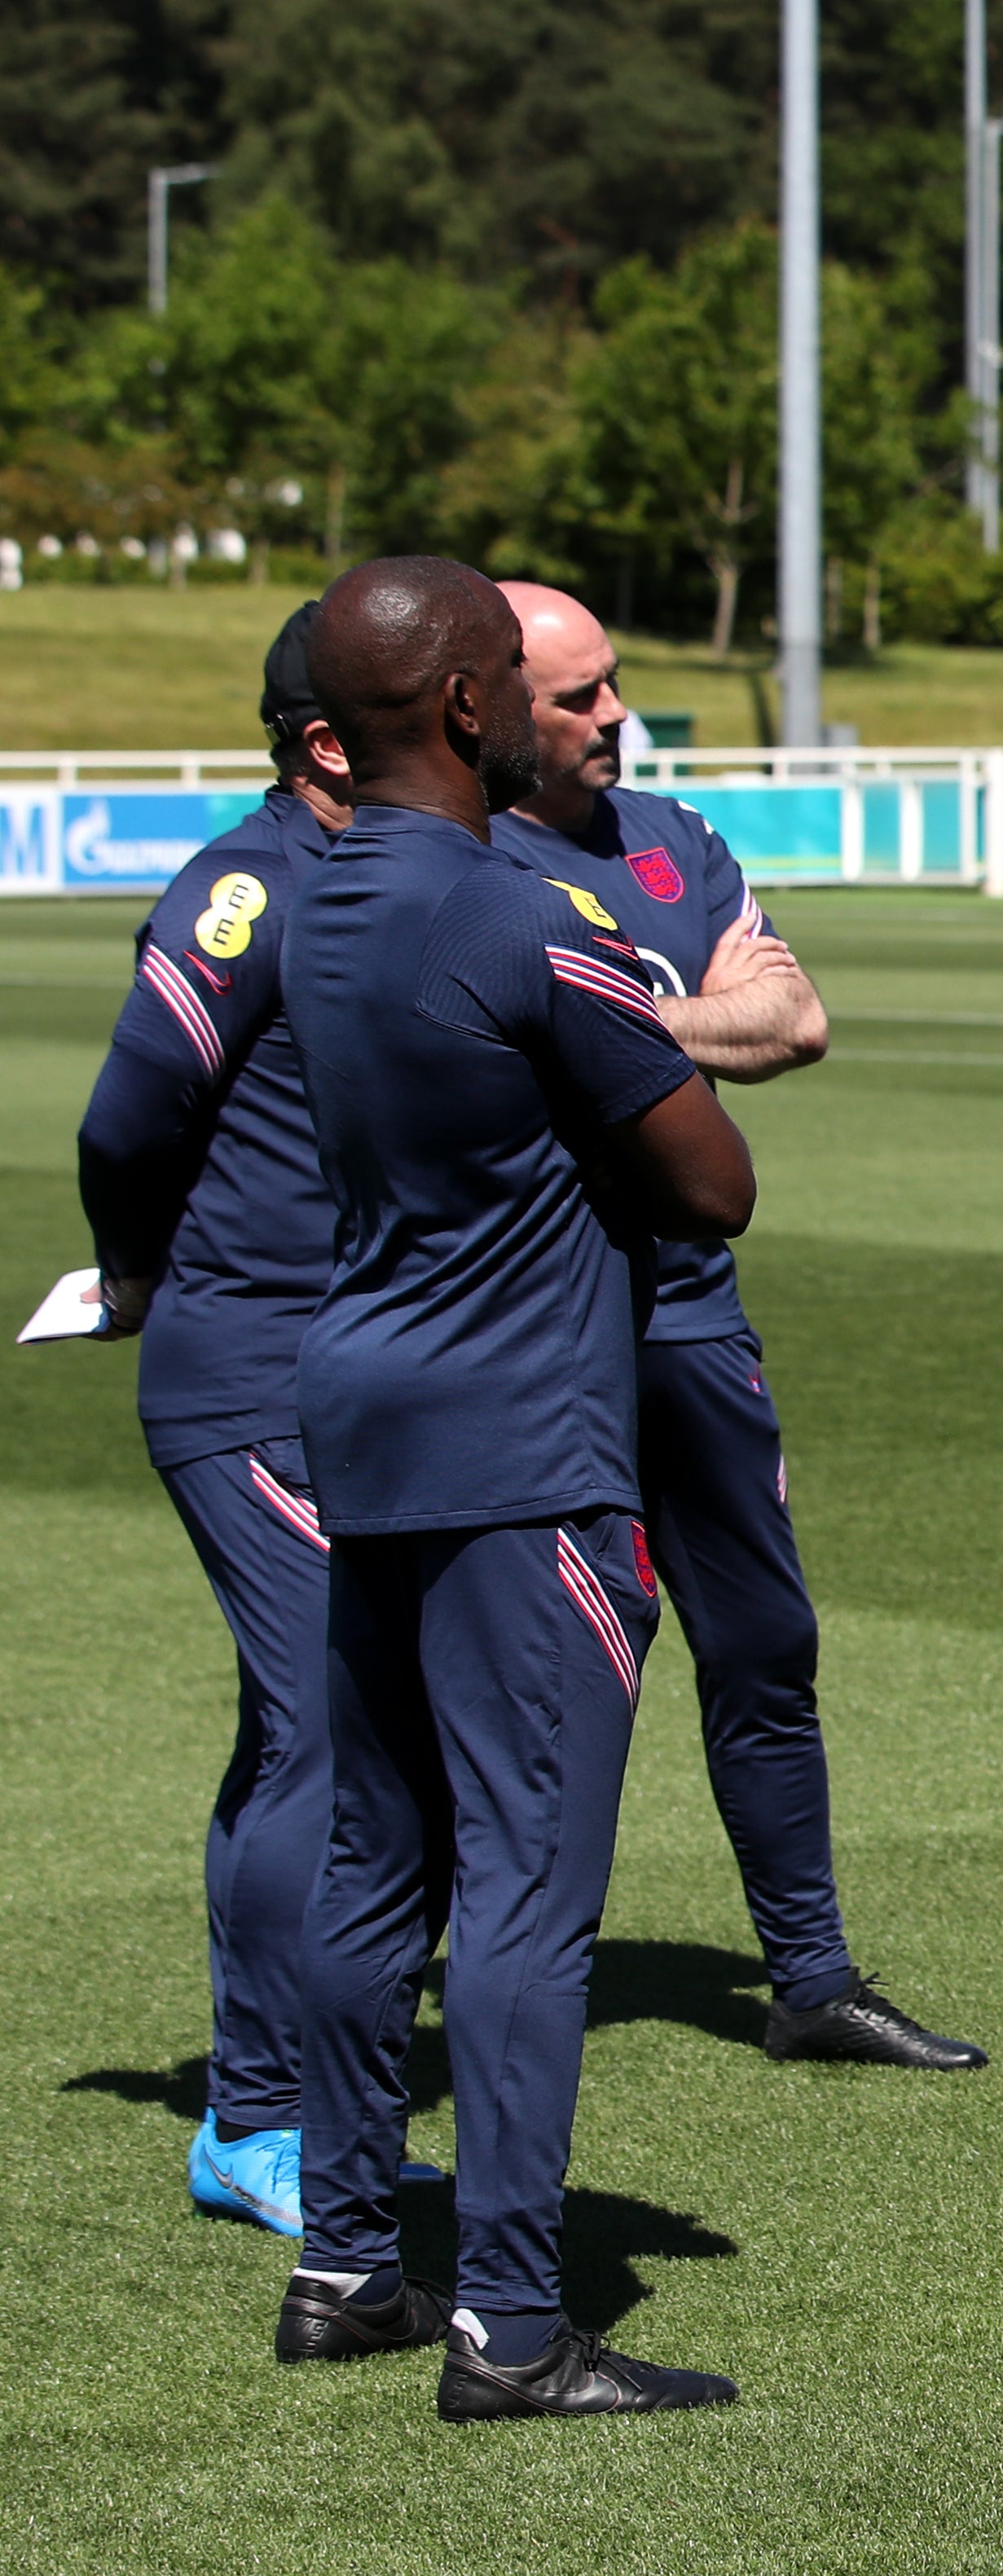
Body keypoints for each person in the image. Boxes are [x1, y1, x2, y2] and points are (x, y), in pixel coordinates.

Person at [276, 556, 757, 2420]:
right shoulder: (526, 920)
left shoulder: (315, 906)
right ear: (471, 709)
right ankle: (508, 2322)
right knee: (531, 1889)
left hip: (364, 1410)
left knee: (369, 1860)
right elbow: (708, 1183)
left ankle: (341, 2260)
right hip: (520, 1440)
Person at [486, 579, 981, 2072]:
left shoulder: (672, 842)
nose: (615, 717)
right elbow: (677, 1027)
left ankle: (811, 1977)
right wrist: (672, 1002)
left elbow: (796, 1022)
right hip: (525, 1319)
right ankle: (504, 1970)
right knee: (549, 1663)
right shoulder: (453, 862)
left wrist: (597, 1014)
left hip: (690, 1307)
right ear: (486, 707)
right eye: (578, 698)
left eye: (614, 684)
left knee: (764, 1637)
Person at [72, 604, 355, 2237]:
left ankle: (282, 2100)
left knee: (308, 1733)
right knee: (322, 1729)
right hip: (252, 1371)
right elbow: (132, 1114)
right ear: (329, 740)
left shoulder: (405, 877)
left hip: (367, 1373)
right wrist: (134, 1272)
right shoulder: (248, 887)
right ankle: (259, 2122)